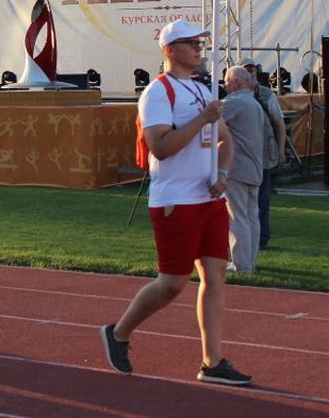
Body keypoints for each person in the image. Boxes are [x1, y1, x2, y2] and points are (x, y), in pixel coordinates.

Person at [100, 19, 251, 386]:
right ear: (170, 49)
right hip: (175, 201)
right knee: (172, 283)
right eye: (190, 43)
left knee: (215, 276)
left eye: (200, 42)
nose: (199, 49)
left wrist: (223, 174)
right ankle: (119, 332)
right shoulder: (158, 92)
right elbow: (161, 148)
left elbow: (225, 142)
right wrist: (203, 119)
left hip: (208, 199)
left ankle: (212, 361)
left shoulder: (201, 90)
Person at [221, 66, 265, 274]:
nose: (224, 85)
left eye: (226, 81)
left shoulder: (235, 102)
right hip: (254, 166)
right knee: (250, 216)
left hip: (237, 166)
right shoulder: (254, 103)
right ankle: (249, 261)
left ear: (237, 82)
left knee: (238, 217)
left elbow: (208, 120)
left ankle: (241, 264)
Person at [240, 58, 287, 249]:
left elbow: (279, 123)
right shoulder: (230, 95)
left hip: (263, 155)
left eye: (252, 70)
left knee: (262, 199)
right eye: (246, 70)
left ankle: (261, 238)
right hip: (239, 156)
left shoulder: (266, 95)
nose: (250, 73)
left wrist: (281, 151)